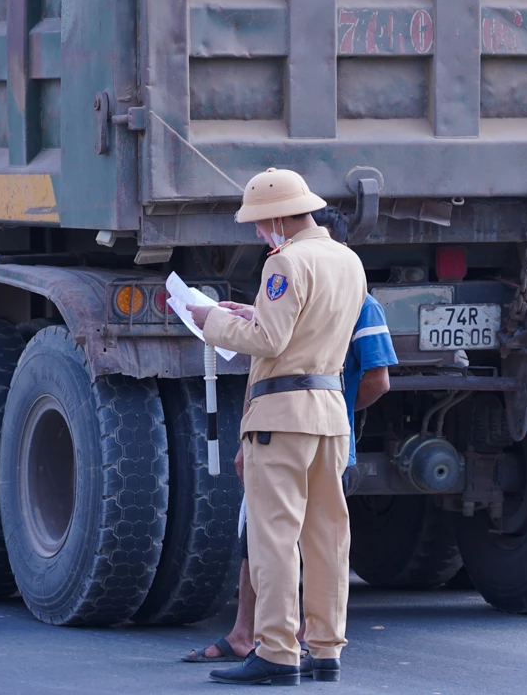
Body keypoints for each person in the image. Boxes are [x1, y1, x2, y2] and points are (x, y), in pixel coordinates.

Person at [188, 168, 367, 686]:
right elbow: (310, 324)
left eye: (259, 222)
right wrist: (253, 311)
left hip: (281, 418)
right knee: (327, 537)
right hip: (330, 414)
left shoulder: (285, 262)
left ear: (279, 218)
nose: (257, 232)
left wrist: (211, 321)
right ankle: (325, 649)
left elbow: (270, 342)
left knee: (274, 539)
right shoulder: (347, 260)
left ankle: (277, 651)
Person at [183, 293, 395, 671]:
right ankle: (250, 634)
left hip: (315, 437)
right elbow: (266, 366)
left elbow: (377, 381)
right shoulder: (296, 292)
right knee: (259, 536)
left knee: (303, 542)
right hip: (277, 432)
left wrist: (333, 405)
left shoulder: (360, 303)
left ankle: (298, 644)